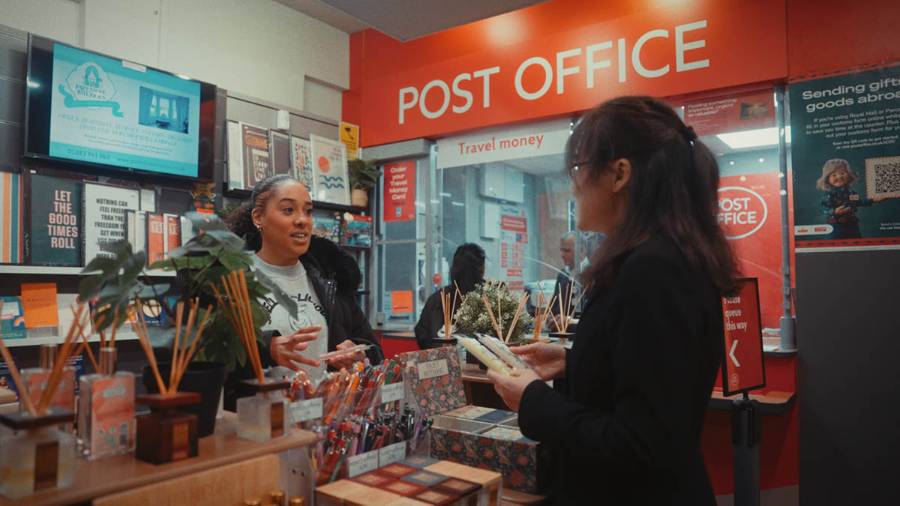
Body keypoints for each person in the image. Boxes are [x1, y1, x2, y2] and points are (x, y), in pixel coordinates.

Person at [487, 96, 738, 505]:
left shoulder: (654, 269)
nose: (573, 185)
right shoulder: (667, 257)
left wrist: (533, 399)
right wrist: (574, 361)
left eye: (578, 169)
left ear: (619, 173)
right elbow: (653, 377)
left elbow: (642, 444)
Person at [225, 174, 382, 409]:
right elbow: (208, 358)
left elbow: (374, 351)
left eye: (308, 211)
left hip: (322, 424)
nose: (302, 220)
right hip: (256, 427)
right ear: (259, 218)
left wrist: (358, 355)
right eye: (288, 210)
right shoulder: (230, 278)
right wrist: (265, 348)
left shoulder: (331, 278)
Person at [414, 243, 485, 349]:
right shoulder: (489, 300)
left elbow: (422, 333)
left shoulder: (438, 298)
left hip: (440, 362)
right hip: (482, 363)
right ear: (481, 269)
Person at [817, 158, 889, 239]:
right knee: (835, 244)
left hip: (852, 224)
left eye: (842, 173)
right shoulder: (829, 194)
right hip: (835, 226)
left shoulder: (851, 192)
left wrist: (873, 200)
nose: (839, 176)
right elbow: (823, 209)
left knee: (855, 241)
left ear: (849, 175)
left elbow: (858, 202)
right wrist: (834, 211)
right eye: (834, 175)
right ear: (827, 179)